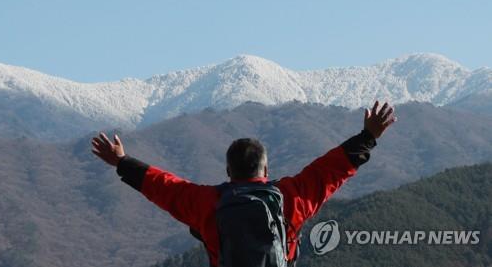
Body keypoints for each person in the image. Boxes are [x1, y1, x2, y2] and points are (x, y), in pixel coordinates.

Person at [91, 101, 396, 267]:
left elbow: (163, 186)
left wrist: (122, 161)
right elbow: (331, 170)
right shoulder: (291, 198)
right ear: (266, 168)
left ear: (228, 170)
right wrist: (368, 136)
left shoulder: (206, 203)